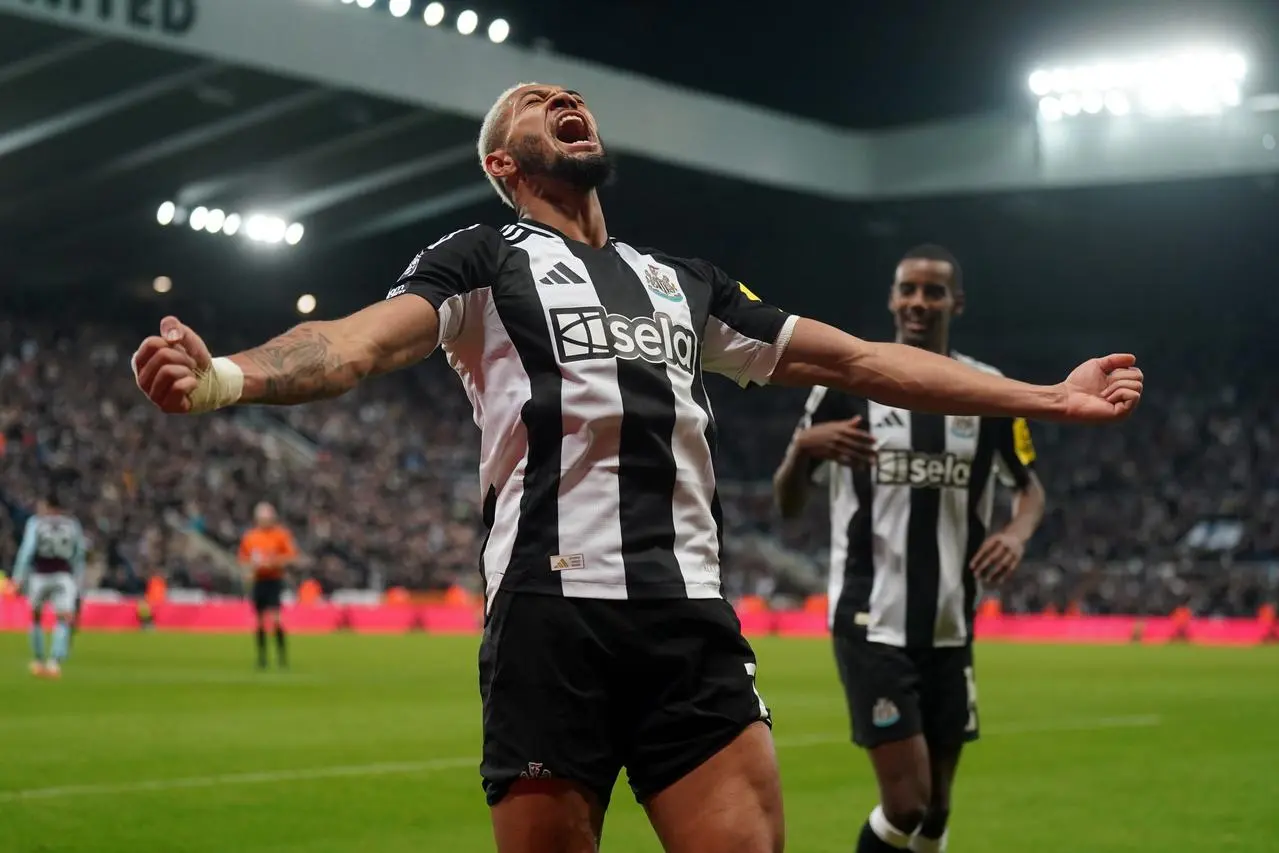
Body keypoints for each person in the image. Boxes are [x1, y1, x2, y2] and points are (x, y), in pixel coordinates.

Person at [131, 83, 1142, 853]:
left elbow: (863, 360)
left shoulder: (683, 285)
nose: (562, 101)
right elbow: (351, 345)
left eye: (568, 97)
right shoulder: (482, 258)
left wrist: (1046, 396)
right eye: (533, 105)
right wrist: (221, 377)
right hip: (548, 615)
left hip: (686, 620)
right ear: (502, 161)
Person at [773, 245, 1047, 853]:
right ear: (893, 298)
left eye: (933, 291)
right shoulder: (847, 381)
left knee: (937, 812)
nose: (919, 302)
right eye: (909, 290)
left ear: (956, 303)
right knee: (907, 803)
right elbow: (788, 502)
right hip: (871, 621)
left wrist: (1016, 533)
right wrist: (803, 450)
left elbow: (1030, 491)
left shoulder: (988, 392)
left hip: (951, 622)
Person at [10, 493, 86, 679]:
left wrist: (18, 577)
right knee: (63, 618)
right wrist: (78, 581)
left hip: (40, 575)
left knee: (36, 618)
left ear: (48, 506)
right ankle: (54, 663)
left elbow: (27, 551)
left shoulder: (36, 522)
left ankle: (38, 660)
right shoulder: (72, 524)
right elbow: (79, 555)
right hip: (64, 575)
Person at [237, 501, 297, 669]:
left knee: (277, 619)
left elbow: (291, 557)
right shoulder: (250, 537)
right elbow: (243, 559)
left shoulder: (281, 535)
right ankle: (262, 658)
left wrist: (274, 562)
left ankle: (281, 658)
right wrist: (248, 571)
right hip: (259, 580)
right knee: (260, 621)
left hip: (274, 579)